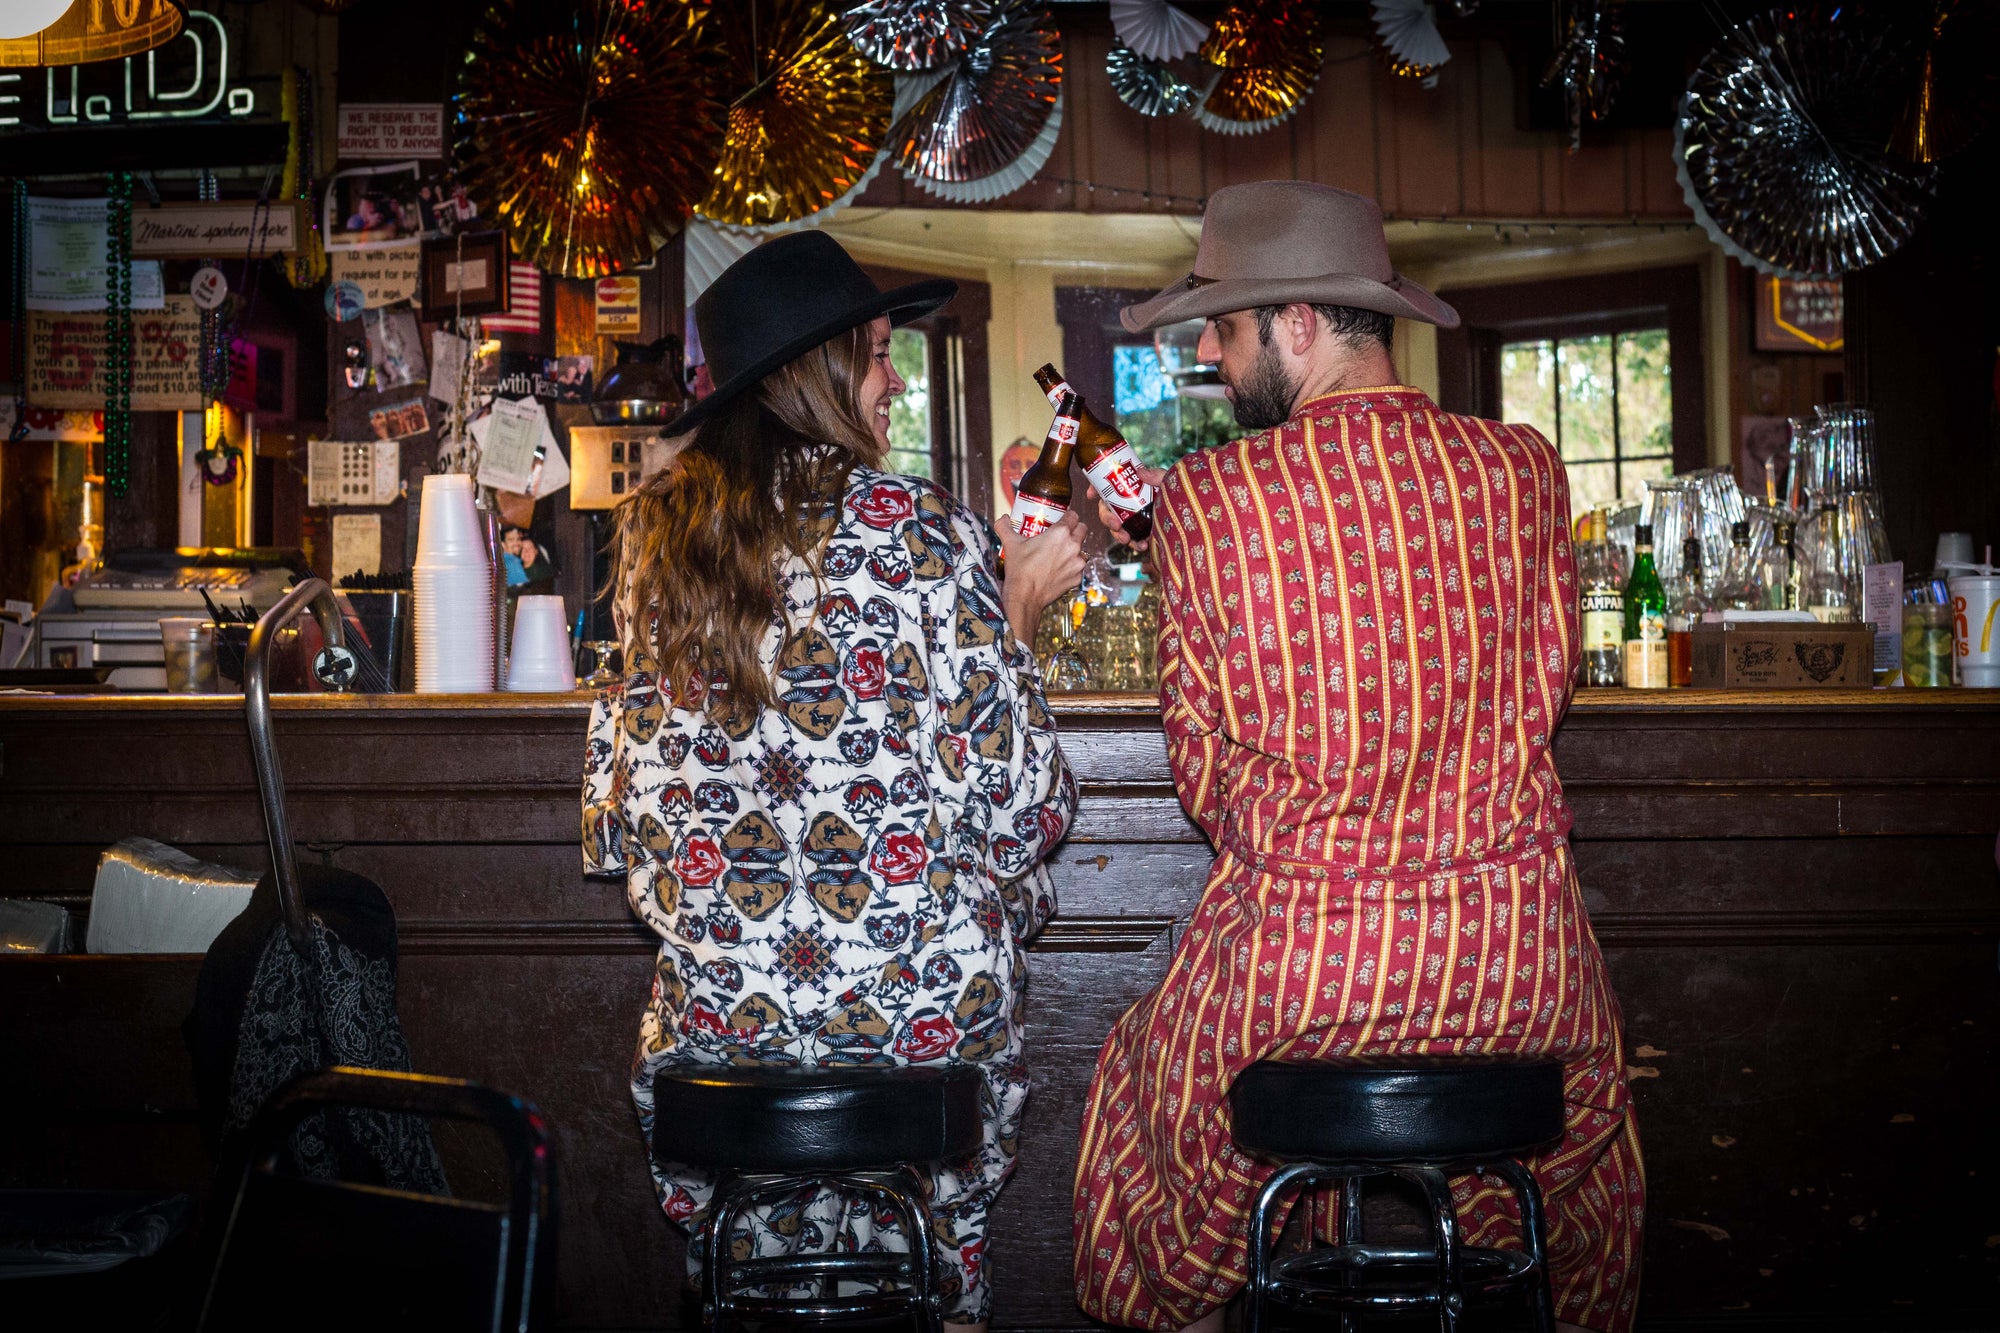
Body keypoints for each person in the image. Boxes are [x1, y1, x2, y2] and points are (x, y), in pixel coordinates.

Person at [1071, 180, 1644, 1333]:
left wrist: (1313, 814)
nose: (1215, 365)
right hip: (1522, 975)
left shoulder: (1211, 498)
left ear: (1295, 323)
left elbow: (1203, 772)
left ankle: (1175, 1301)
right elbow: (1551, 686)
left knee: (1136, 1091)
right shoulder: (1527, 469)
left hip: (1299, 979)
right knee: (1593, 1157)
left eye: (1223, 332)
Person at [582, 229, 1085, 1331]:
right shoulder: (919, 535)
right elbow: (1027, 809)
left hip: (717, 1048)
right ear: (817, 377)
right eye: (872, 354)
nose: (893, 376)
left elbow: (613, 834)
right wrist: (1015, 619)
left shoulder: (648, 548)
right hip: (917, 1050)